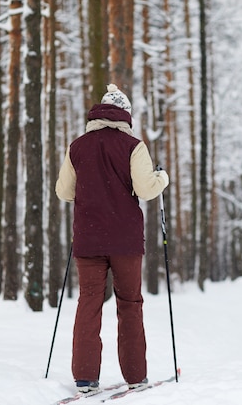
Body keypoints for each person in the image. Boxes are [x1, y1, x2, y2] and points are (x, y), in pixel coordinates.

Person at [55, 83, 169, 394]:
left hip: (88, 240)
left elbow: (63, 192)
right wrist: (162, 177)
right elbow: (147, 190)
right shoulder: (133, 146)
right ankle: (135, 376)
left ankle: (85, 378)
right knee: (130, 304)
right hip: (125, 241)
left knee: (88, 303)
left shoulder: (77, 146)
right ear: (125, 116)